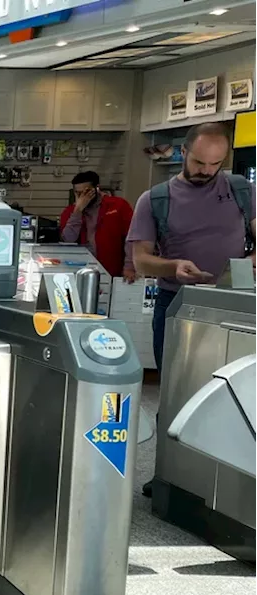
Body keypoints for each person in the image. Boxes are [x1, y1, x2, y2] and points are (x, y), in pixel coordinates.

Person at [127, 122, 257, 496]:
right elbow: (141, 259)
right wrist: (173, 267)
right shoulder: (155, 199)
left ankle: (228, 482)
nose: (206, 171)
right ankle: (169, 474)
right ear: (184, 152)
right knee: (176, 389)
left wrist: (250, 261)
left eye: (215, 164)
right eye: (200, 162)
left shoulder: (243, 191)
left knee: (236, 392)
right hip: (177, 303)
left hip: (237, 303)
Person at [60, 171, 136, 281]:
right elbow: (67, 240)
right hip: (81, 271)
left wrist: (130, 266)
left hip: (112, 270)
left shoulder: (118, 206)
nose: (82, 197)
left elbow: (131, 238)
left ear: (97, 188)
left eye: (86, 192)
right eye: (78, 193)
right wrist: (77, 211)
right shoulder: (70, 212)